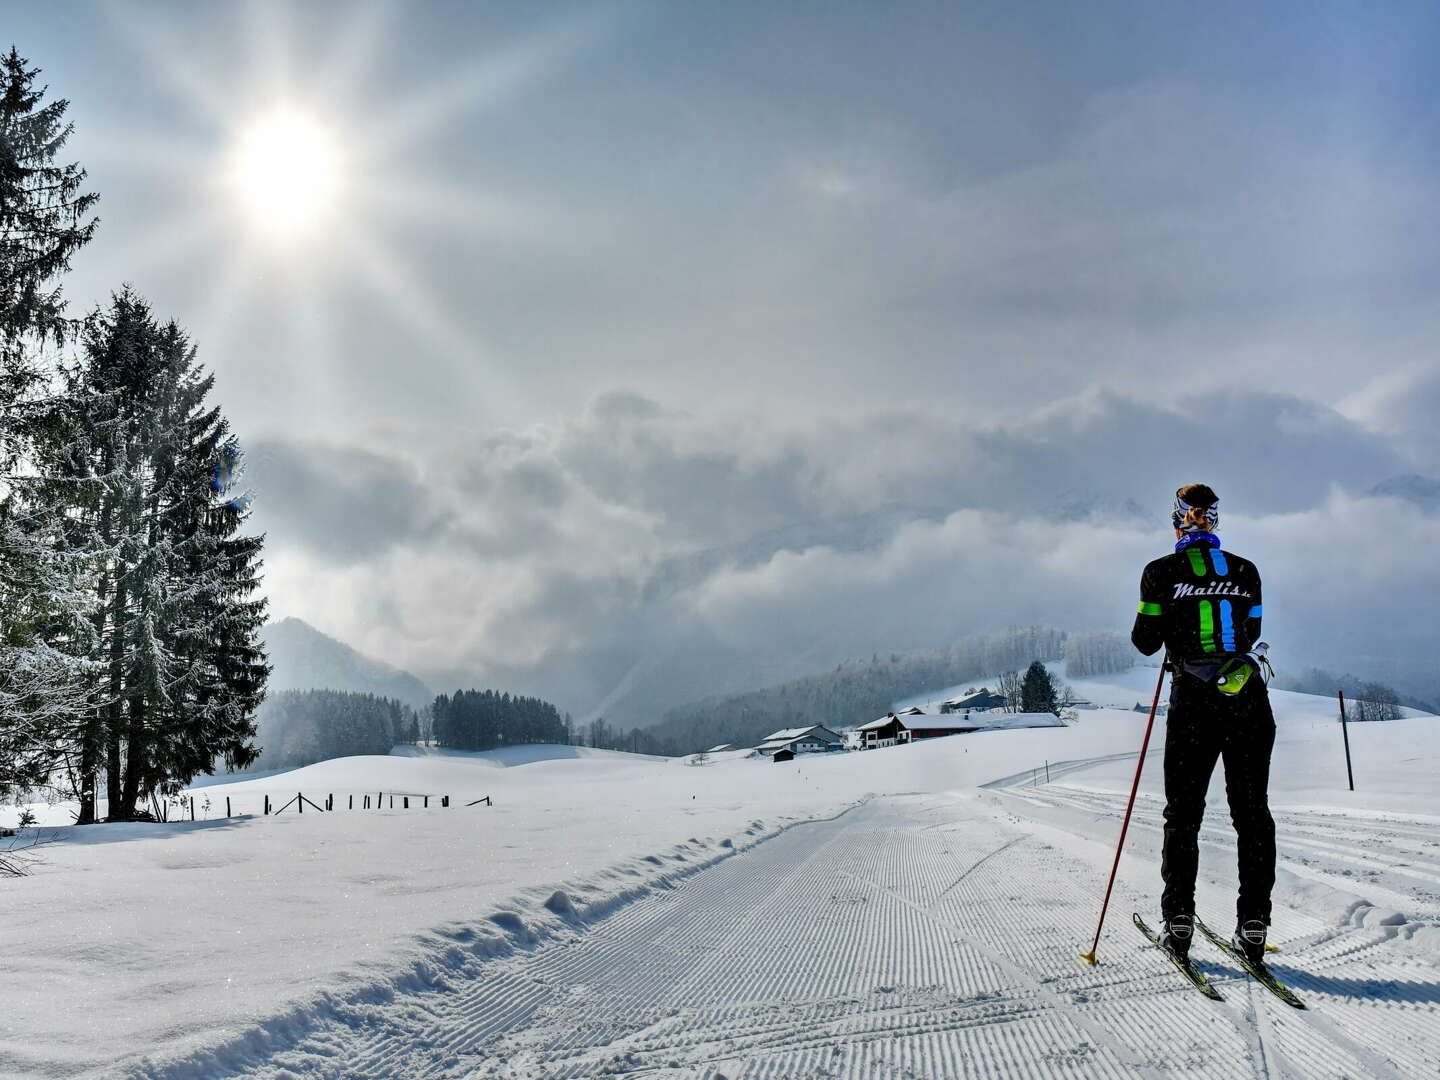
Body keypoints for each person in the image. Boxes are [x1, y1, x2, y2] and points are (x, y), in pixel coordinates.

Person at [1131, 482, 1276, 968]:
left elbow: (1145, 642)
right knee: (1252, 813)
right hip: (1246, 699)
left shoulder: (1160, 572)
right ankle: (1253, 927)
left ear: (1177, 520)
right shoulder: (1245, 570)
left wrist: (1173, 619)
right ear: (1215, 520)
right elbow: (1251, 631)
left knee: (1184, 813)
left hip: (1194, 702)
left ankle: (1178, 925)